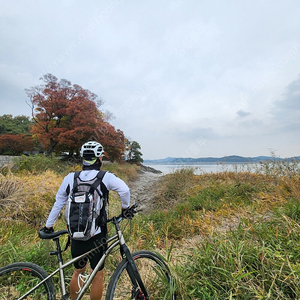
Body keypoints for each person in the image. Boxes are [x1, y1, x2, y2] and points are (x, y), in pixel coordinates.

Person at [42, 141, 130, 300]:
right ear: (99, 158)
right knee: (97, 274)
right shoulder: (105, 177)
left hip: (76, 233)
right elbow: (125, 190)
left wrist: (48, 226)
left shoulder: (70, 178)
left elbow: (59, 202)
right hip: (97, 235)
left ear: (83, 158)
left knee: (78, 271)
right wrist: (125, 209)